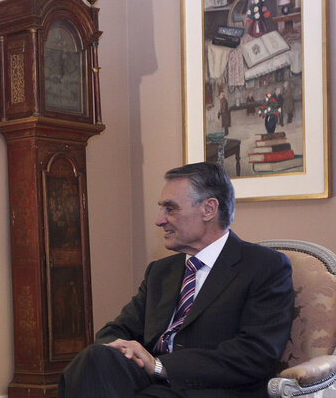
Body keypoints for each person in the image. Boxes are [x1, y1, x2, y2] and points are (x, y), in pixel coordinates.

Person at [59, 162, 294, 397]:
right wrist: (127, 352)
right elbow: (117, 329)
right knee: (94, 358)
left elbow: (255, 354)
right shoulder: (161, 271)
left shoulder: (264, 266)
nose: (159, 220)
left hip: (213, 388)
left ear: (209, 209)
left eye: (170, 209)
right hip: (148, 379)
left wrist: (161, 366)